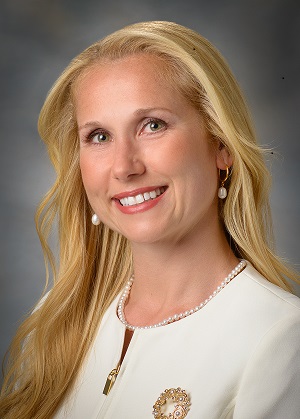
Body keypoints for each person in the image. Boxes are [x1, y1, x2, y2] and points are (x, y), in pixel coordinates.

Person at [0, 21, 299, 419]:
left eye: (152, 126)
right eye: (99, 137)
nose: (124, 167)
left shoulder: (280, 337)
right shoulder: (56, 323)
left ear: (221, 146)